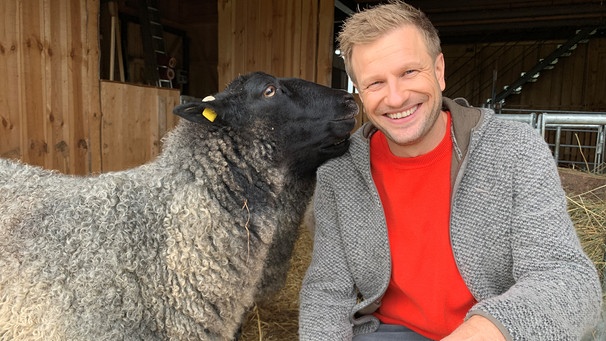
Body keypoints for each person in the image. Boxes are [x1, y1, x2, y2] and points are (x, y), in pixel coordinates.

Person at [298, 1, 602, 340]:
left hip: (498, 329)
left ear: (439, 69)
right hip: (393, 331)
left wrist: (486, 329)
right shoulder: (340, 173)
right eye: (375, 84)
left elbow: (569, 279)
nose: (396, 98)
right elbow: (326, 291)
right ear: (360, 92)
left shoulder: (514, 149)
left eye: (409, 72)